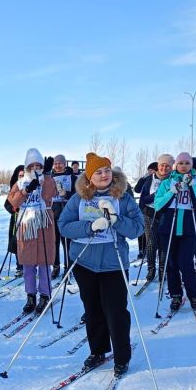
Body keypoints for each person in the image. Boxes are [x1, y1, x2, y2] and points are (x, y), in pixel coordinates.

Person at [58, 152, 144, 376]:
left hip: (113, 264)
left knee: (115, 312)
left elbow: (138, 229)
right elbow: (64, 226)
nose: (104, 175)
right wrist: (89, 227)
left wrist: (117, 220)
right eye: (98, 172)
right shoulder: (79, 197)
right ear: (89, 177)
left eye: (106, 170)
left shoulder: (123, 197)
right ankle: (98, 351)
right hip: (84, 262)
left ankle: (122, 357)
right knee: (93, 309)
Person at [153, 153, 196, 312]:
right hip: (168, 228)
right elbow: (158, 205)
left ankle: (193, 295)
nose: (183, 166)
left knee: (185, 263)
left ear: (191, 165)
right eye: (180, 163)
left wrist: (192, 186)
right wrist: (171, 191)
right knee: (171, 264)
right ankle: (176, 294)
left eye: (187, 163)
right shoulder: (167, 182)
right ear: (175, 165)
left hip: (188, 229)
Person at [7, 148, 57, 314]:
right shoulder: (20, 182)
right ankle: (30, 296)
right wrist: (26, 191)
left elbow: (50, 194)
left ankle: (44, 295)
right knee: (28, 265)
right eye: (32, 165)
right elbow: (13, 201)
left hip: (44, 226)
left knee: (44, 264)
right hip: (27, 228)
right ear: (27, 166)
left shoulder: (47, 179)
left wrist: (48, 175)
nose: (36, 168)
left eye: (39, 165)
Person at [138, 154, 173, 283]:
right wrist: (157, 195)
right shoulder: (149, 179)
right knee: (151, 243)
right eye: (162, 165)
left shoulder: (173, 180)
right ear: (158, 166)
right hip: (149, 213)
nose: (164, 168)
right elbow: (143, 199)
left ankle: (162, 270)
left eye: (167, 166)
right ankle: (151, 269)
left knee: (164, 243)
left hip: (165, 214)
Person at [50, 154, 75, 278]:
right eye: (55, 163)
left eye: (60, 163)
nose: (57, 165)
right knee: (54, 242)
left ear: (64, 164)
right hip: (53, 213)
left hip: (67, 213)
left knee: (67, 242)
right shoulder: (49, 177)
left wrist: (66, 194)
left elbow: (77, 195)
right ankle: (55, 267)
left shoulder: (72, 177)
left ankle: (68, 266)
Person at [4, 166, 25, 278]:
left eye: (23, 175)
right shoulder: (14, 188)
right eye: (20, 175)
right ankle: (19, 266)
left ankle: (29, 265)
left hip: (29, 220)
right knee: (17, 243)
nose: (22, 177)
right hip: (16, 219)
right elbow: (6, 204)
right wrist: (14, 208)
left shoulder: (31, 187)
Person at [133, 162, 157, 259]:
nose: (150, 172)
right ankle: (141, 250)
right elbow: (137, 189)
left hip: (153, 209)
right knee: (142, 230)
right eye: (149, 170)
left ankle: (152, 251)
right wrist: (142, 179)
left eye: (152, 170)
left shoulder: (157, 180)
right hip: (142, 208)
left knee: (151, 233)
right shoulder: (146, 179)